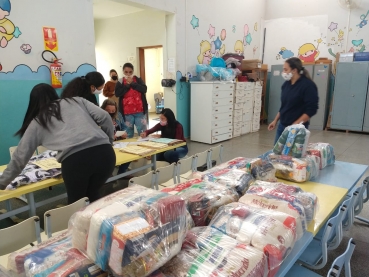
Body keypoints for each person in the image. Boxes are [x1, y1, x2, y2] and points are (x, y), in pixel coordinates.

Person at [0, 84, 116, 204]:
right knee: (93, 194)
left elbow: (20, 157)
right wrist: (109, 141)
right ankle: (99, 221)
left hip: (76, 162)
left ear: (33, 102)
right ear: (54, 94)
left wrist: (2, 182)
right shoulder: (76, 101)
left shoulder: (39, 121)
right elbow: (105, 116)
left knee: (76, 204)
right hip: (106, 155)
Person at [268, 57, 319, 144]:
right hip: (282, 126)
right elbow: (284, 105)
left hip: (297, 129)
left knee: (292, 155)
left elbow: (311, 109)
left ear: (294, 70)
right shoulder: (286, 85)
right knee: (277, 154)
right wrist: (275, 120)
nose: (283, 72)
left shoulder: (308, 86)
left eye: (285, 69)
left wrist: (295, 125)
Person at [115, 63, 148, 138]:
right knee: (128, 134)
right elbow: (117, 93)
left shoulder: (138, 79)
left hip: (140, 111)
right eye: (126, 72)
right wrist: (127, 85)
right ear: (123, 72)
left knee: (143, 132)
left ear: (133, 71)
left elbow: (144, 89)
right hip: (127, 113)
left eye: (130, 72)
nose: (128, 74)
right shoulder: (120, 81)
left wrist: (132, 83)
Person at [101, 99, 130, 178]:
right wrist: (109, 137)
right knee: (109, 156)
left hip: (118, 141)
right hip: (106, 143)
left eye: (113, 110)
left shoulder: (118, 115)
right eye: (108, 110)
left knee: (129, 152)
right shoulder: (99, 117)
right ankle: (108, 174)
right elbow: (97, 132)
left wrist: (124, 132)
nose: (111, 112)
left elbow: (124, 127)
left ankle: (122, 173)